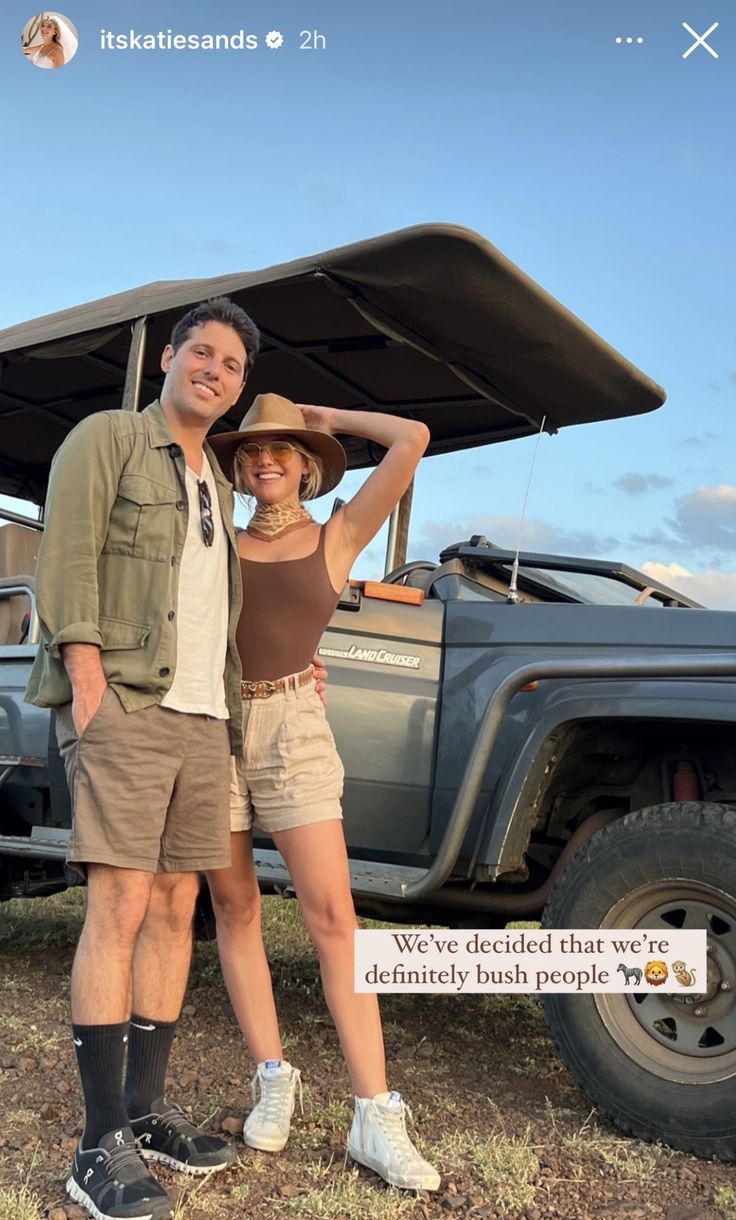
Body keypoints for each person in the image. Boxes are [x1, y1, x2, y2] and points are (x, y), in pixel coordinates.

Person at [26, 297, 262, 1220]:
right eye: (202, 352)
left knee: (176, 903)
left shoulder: (221, 484)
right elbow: (68, 556)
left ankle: (144, 1111)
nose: (215, 370)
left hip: (205, 716)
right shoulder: (110, 439)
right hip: (127, 697)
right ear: (169, 357)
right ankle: (97, 1145)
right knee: (119, 901)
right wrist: (86, 677)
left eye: (232, 364)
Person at [206, 393, 441, 1192]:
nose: (266, 459)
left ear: (307, 465)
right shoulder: (218, 543)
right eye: (252, 452)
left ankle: (374, 1112)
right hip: (216, 729)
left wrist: (323, 414)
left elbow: (411, 436)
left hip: (295, 729)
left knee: (333, 917)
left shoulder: (337, 535)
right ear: (239, 469)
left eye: (283, 449)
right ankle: (273, 1076)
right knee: (234, 909)